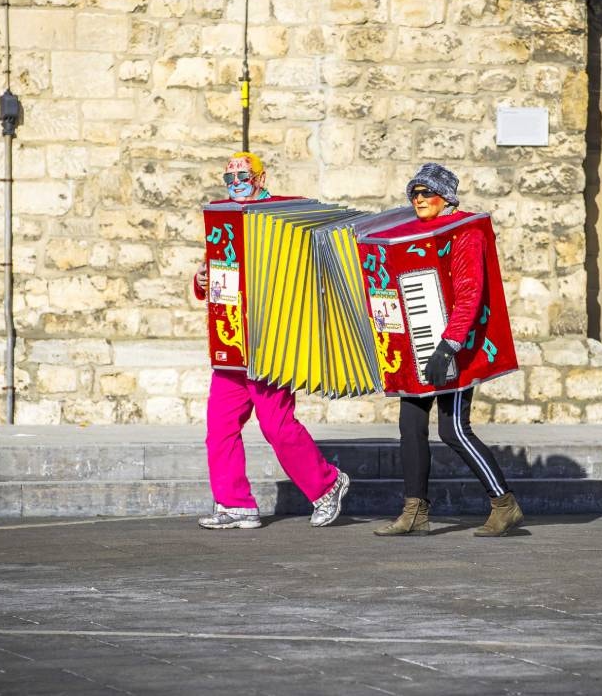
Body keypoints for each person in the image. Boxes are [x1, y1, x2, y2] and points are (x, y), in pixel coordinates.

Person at [193, 151, 350, 529]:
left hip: (272, 340)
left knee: (276, 425)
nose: (236, 185)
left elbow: (318, 261)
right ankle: (235, 504)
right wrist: (201, 280)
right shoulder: (224, 218)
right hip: (233, 341)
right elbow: (216, 266)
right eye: (229, 179)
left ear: (261, 179)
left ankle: (328, 485)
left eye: (243, 177)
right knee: (220, 426)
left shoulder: (289, 213)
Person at [374, 163, 524, 538]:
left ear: (446, 196)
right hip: (417, 346)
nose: (419, 199)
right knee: (410, 425)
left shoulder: (465, 233)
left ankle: (504, 505)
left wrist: (448, 345)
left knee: (454, 429)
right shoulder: (410, 233)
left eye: (427, 192)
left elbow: (471, 293)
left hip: (455, 346)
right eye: (414, 193)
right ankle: (415, 511)